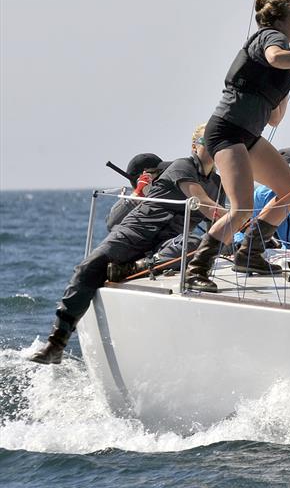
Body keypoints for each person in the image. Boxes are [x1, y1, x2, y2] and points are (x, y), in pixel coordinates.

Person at [29, 126, 226, 364]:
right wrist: (239, 219)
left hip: (166, 243)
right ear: (195, 146)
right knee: (88, 267)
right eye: (208, 140)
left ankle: (135, 268)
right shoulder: (182, 167)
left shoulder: (218, 184)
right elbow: (206, 206)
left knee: (196, 242)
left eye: (219, 141)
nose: (214, 145)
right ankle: (56, 342)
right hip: (135, 231)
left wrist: (249, 240)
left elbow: (218, 226)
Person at [185, 0, 290, 292]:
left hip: (248, 134)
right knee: (241, 209)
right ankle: (196, 268)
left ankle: (250, 252)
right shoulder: (270, 37)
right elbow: (275, 57)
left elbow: (275, 118)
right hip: (226, 131)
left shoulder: (284, 61)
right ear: (281, 19)